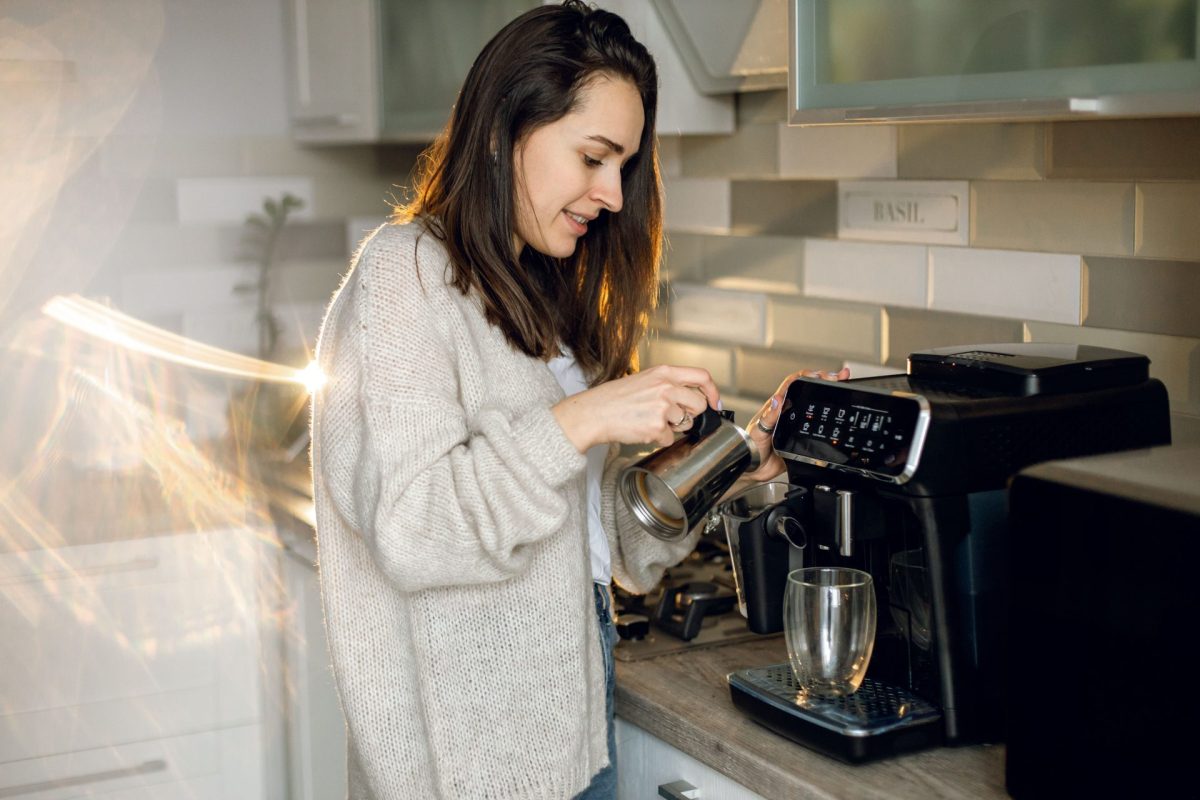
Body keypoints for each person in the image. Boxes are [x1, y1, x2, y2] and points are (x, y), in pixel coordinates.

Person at [310, 2, 847, 797]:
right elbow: (414, 531)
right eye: (594, 157)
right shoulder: (407, 274)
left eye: (624, 166)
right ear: (503, 133)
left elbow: (604, 550)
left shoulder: (542, 293)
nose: (615, 195)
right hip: (466, 772)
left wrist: (731, 462)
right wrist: (583, 419)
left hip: (565, 736)